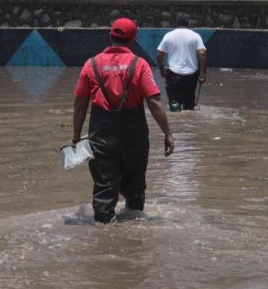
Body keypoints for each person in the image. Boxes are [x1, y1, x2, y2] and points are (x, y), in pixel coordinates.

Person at [72, 18, 175, 224]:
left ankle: (102, 234)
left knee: (104, 187)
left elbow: (80, 104)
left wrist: (76, 137)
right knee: (135, 188)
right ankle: (132, 238)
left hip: (101, 135)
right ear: (133, 40)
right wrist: (167, 133)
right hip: (134, 136)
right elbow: (154, 102)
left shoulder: (91, 64)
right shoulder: (139, 65)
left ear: (110, 36)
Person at [156, 13, 207, 112]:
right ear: (189, 23)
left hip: (173, 75)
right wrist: (203, 74)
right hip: (191, 75)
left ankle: (176, 125)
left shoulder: (168, 35)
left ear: (176, 23)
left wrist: (162, 69)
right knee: (189, 106)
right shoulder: (195, 36)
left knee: (174, 105)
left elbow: (159, 55)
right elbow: (202, 54)